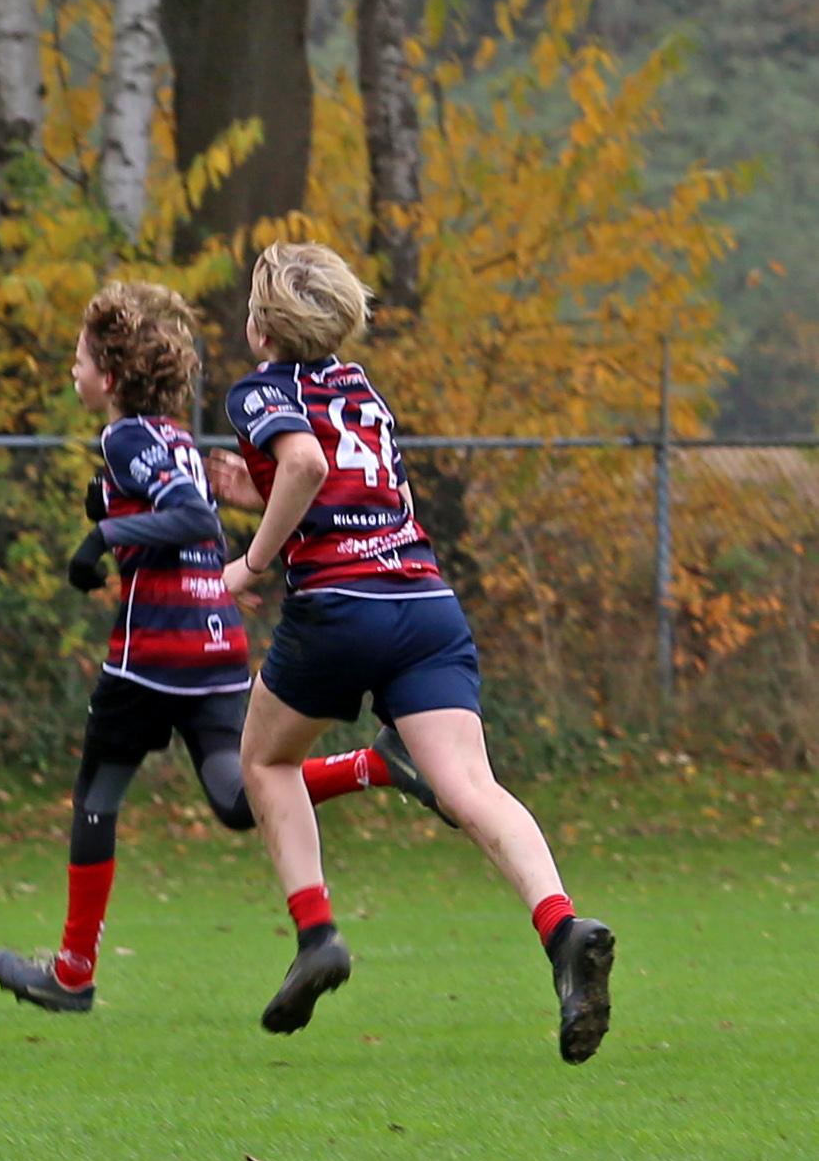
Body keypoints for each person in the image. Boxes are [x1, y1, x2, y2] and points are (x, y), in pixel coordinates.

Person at [211, 241, 617, 1061]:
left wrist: (251, 561)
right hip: (424, 602)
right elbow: (337, 480)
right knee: (471, 787)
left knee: (263, 762)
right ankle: (562, 928)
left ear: (264, 326)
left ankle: (316, 932)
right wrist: (252, 493)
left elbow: (307, 461)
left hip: (340, 608)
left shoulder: (259, 390)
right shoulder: (359, 387)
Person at [0, 282, 441, 1014]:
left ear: (108, 375)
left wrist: (101, 537)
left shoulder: (126, 435)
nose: (71, 370)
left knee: (97, 795)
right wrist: (106, 504)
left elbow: (191, 512)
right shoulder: (172, 438)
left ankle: (72, 971)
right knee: (239, 796)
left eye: (78, 358)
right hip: (215, 641)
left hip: (153, 650)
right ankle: (373, 764)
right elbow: (167, 495)